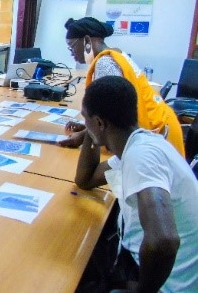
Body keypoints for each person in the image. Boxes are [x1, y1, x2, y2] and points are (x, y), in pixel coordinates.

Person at [76, 76, 198, 292]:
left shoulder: (141, 157)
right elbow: (86, 179)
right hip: (150, 266)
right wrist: (91, 133)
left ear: (101, 122)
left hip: (168, 285)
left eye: (86, 118)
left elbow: (164, 242)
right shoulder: (137, 143)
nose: (84, 123)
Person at [60, 17, 185, 157]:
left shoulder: (105, 64)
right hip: (162, 123)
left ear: (87, 41)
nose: (71, 52)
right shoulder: (115, 54)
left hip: (156, 131)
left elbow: (113, 115)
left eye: (72, 46)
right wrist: (88, 126)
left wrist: (81, 137)